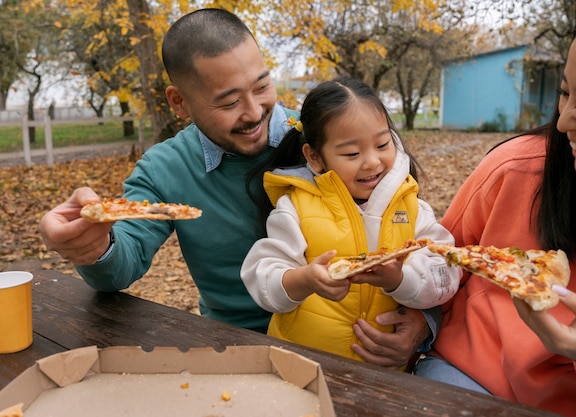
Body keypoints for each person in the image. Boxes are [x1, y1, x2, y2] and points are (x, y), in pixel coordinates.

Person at [38, 8, 431, 368]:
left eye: (261, 87)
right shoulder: (164, 169)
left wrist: (423, 323)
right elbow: (120, 264)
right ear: (179, 103)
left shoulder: (330, 139)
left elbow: (415, 233)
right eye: (228, 103)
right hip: (235, 346)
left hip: (347, 348)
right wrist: (93, 246)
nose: (255, 112)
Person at [414, 0, 576, 415]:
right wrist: (420, 323)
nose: (563, 121)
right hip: (467, 376)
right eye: (564, 93)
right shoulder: (517, 168)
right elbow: (438, 263)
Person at [241, 77, 460, 366]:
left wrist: (400, 279)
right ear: (315, 158)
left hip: (384, 374)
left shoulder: (411, 207)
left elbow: (446, 272)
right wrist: (305, 279)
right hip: (302, 365)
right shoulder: (296, 207)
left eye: (382, 144)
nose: (371, 162)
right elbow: (262, 276)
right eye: (352, 154)